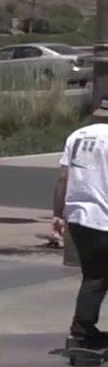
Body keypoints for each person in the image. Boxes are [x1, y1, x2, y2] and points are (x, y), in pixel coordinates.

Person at [52, 95, 108, 350]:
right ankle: (82, 327)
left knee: (95, 275)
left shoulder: (76, 136)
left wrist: (57, 213)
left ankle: (83, 328)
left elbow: (64, 178)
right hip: (104, 219)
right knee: (97, 276)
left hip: (79, 219)